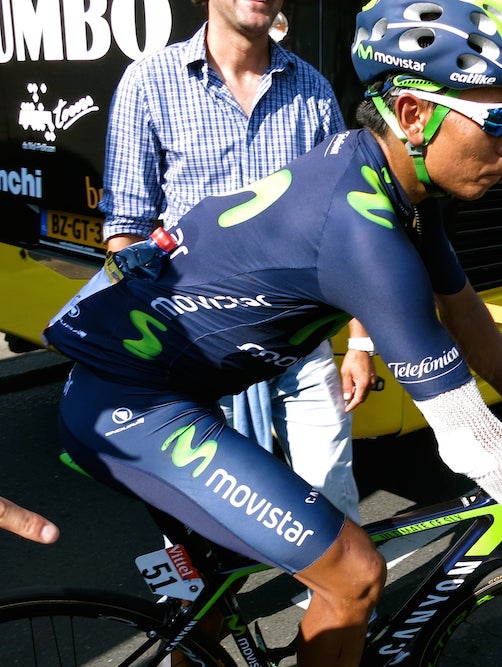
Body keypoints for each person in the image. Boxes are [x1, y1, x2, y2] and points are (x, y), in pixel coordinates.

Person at [44, 1, 502, 664]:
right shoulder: (363, 229)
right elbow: (466, 440)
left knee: (220, 592)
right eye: (499, 119)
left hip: (170, 385)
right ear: (412, 115)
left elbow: (464, 313)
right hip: (131, 405)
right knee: (354, 572)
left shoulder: (393, 185)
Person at [99, 0, 374, 522]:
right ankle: (203, 602)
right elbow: (128, 229)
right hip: (194, 345)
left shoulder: (311, 89)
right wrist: (144, 348)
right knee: (202, 514)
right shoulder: (149, 82)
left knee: (333, 504)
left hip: (299, 340)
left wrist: (359, 342)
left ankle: (348, 601)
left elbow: (349, 228)